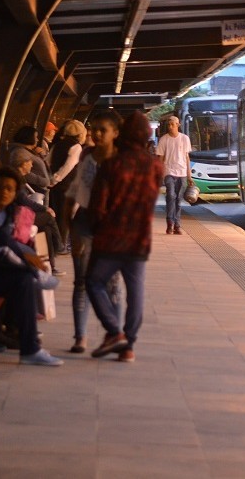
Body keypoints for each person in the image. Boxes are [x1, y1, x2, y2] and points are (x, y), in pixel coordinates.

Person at [87, 110, 164, 362]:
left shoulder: (111, 164)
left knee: (94, 282)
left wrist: (92, 229)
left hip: (111, 236)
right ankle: (128, 345)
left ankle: (113, 330)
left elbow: (98, 205)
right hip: (140, 239)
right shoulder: (155, 166)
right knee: (136, 291)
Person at [0, 167, 64, 367]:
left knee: (20, 279)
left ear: (15, 194)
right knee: (6, 248)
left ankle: (30, 348)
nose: (4, 192)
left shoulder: (9, 214)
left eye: (9, 189)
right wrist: (27, 261)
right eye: (0, 187)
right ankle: (33, 273)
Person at [64, 110, 124, 353]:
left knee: (112, 282)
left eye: (103, 130)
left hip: (112, 226)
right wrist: (71, 229)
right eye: (93, 129)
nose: (96, 134)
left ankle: (115, 333)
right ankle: (80, 336)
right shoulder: (87, 155)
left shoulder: (123, 160)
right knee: (81, 282)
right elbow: (74, 191)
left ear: (116, 133)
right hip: (85, 222)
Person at [48, 119, 87, 248]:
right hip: (68, 185)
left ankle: (56, 243)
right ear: (81, 133)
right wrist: (56, 179)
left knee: (56, 213)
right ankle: (62, 244)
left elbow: (47, 161)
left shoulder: (57, 145)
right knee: (65, 216)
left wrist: (51, 180)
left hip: (55, 186)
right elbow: (68, 166)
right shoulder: (76, 147)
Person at [156, 115, 192, 234]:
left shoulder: (185, 139)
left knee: (178, 199)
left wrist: (189, 175)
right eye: (169, 124)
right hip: (169, 172)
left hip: (182, 173)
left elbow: (187, 158)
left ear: (178, 125)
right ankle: (170, 222)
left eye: (172, 124)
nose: (170, 126)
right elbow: (160, 158)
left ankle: (177, 224)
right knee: (171, 195)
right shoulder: (164, 139)